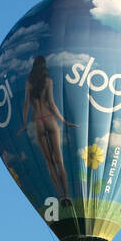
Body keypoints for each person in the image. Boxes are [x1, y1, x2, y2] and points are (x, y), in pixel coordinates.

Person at [18, 56, 77, 205]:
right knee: (59, 160)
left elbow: (26, 105)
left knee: (49, 162)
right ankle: (67, 195)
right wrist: (64, 121)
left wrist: (24, 124)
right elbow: (52, 104)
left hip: (38, 121)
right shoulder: (48, 81)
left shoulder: (29, 83)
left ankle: (60, 197)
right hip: (49, 119)